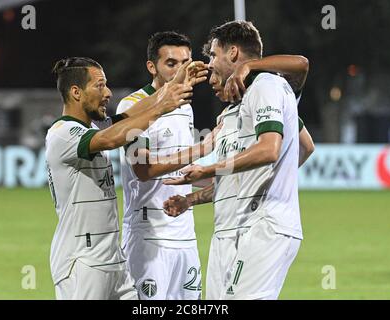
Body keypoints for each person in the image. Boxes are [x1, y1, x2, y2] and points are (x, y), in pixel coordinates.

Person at [163, 21, 314, 300]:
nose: (209, 71)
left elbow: (269, 150)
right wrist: (190, 200)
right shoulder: (231, 113)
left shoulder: (267, 84)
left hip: (262, 226)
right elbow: (305, 146)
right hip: (228, 230)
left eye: (213, 56)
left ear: (232, 53)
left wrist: (208, 168)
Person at [45, 56, 201, 299]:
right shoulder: (63, 133)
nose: (107, 92)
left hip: (112, 259)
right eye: (99, 85)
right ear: (76, 92)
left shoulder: (91, 129)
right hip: (81, 261)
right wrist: (161, 108)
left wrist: (170, 87)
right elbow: (112, 138)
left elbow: (127, 118)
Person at [115, 31, 218, 300]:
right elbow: (143, 168)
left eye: (185, 62)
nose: (180, 70)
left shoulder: (185, 106)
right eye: (171, 63)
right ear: (152, 66)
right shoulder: (133, 105)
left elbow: (181, 168)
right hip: (148, 236)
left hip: (185, 235)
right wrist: (202, 148)